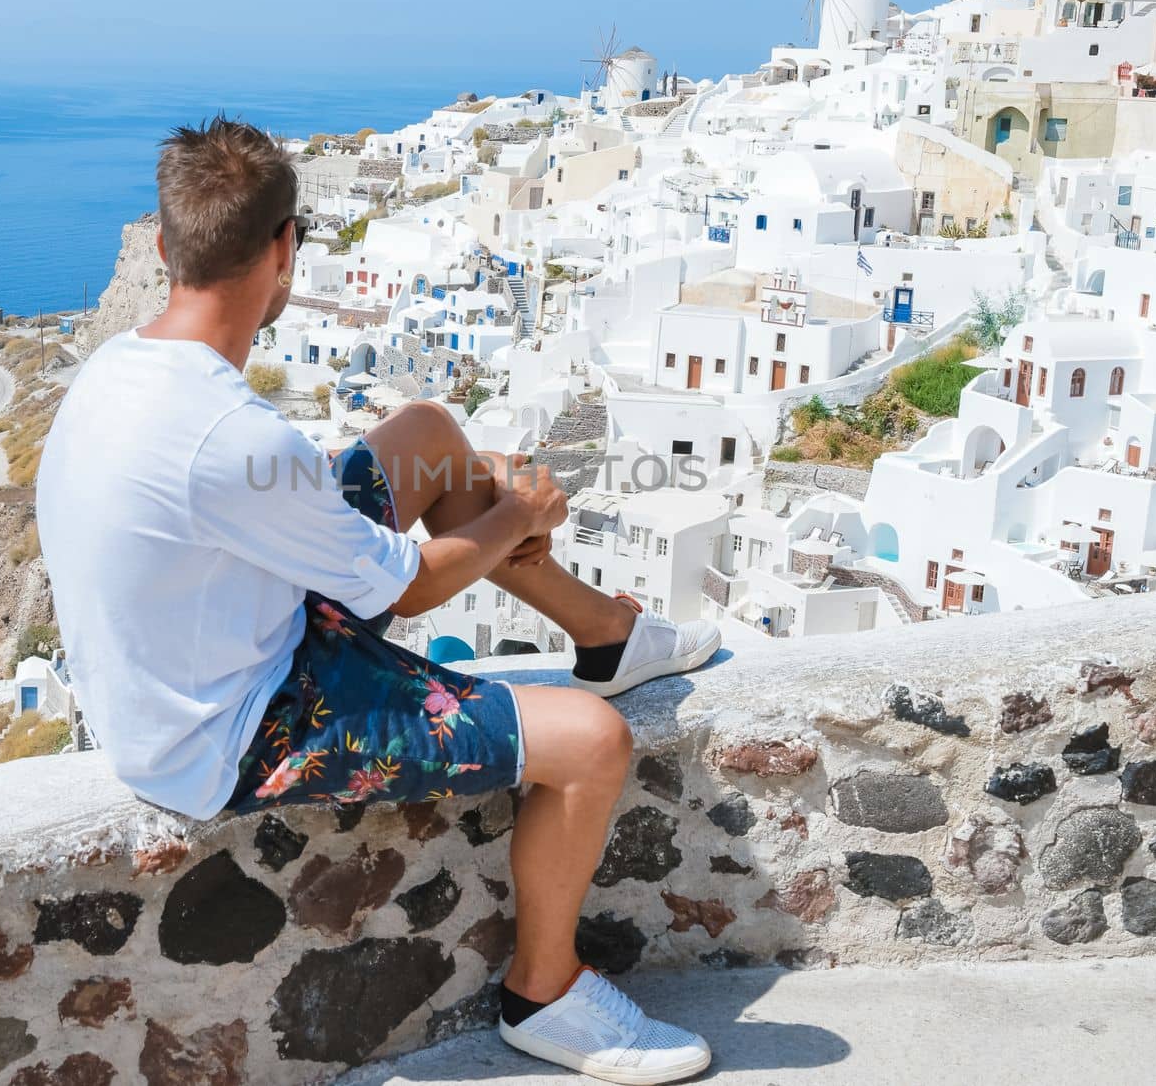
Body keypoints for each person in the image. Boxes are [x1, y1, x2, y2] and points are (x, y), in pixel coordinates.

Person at [37, 115, 721, 1084]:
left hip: (204, 648)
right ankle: (546, 994)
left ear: (162, 244)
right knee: (592, 745)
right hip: (231, 729)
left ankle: (610, 635)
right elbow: (421, 580)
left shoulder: (117, 369)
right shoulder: (233, 435)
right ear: (285, 251)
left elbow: (242, 506)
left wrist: (476, 509)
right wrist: (518, 507)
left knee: (430, 436)